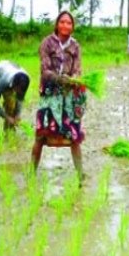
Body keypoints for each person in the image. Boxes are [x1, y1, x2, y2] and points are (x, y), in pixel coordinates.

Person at [32, 11, 87, 182]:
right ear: (57, 24)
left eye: (69, 23)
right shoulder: (47, 43)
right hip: (50, 95)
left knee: (74, 136)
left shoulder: (75, 46)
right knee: (41, 135)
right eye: (62, 22)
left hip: (69, 96)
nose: (65, 25)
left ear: (72, 26)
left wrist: (75, 79)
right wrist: (60, 79)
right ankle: (31, 173)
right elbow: (45, 70)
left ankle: (80, 175)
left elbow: (77, 69)